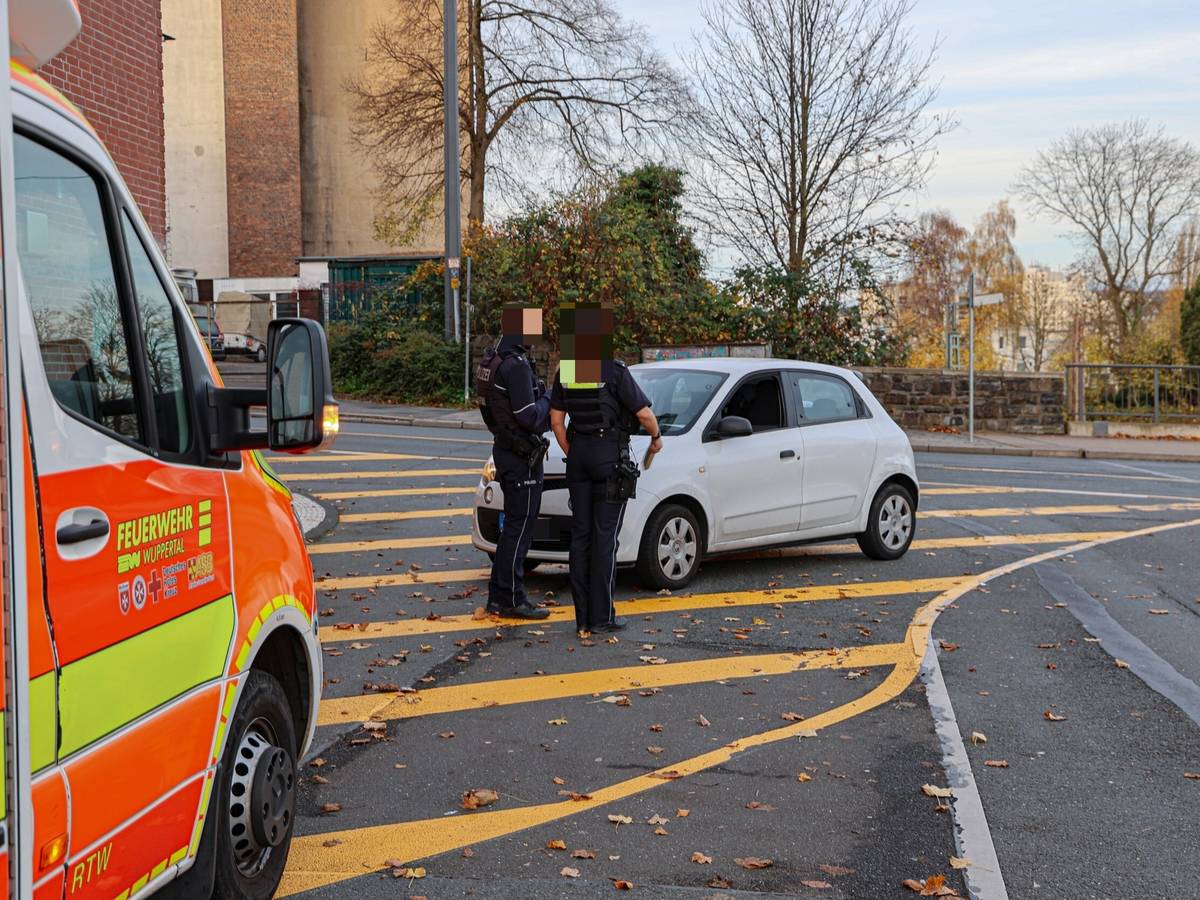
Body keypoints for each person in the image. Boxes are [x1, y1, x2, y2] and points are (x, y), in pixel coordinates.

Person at [549, 302, 663, 637]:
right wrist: (656, 437)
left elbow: (556, 420)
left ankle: (582, 618)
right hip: (608, 457)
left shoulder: (566, 371)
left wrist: (573, 449)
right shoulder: (613, 371)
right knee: (604, 538)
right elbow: (642, 414)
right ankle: (602, 617)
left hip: (580, 455)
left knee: (581, 537)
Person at [475, 303, 552, 619]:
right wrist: (550, 398)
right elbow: (530, 416)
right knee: (519, 531)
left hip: (504, 449)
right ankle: (513, 599)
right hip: (521, 456)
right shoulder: (516, 365)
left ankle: (498, 597)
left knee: (512, 529)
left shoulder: (492, 360)